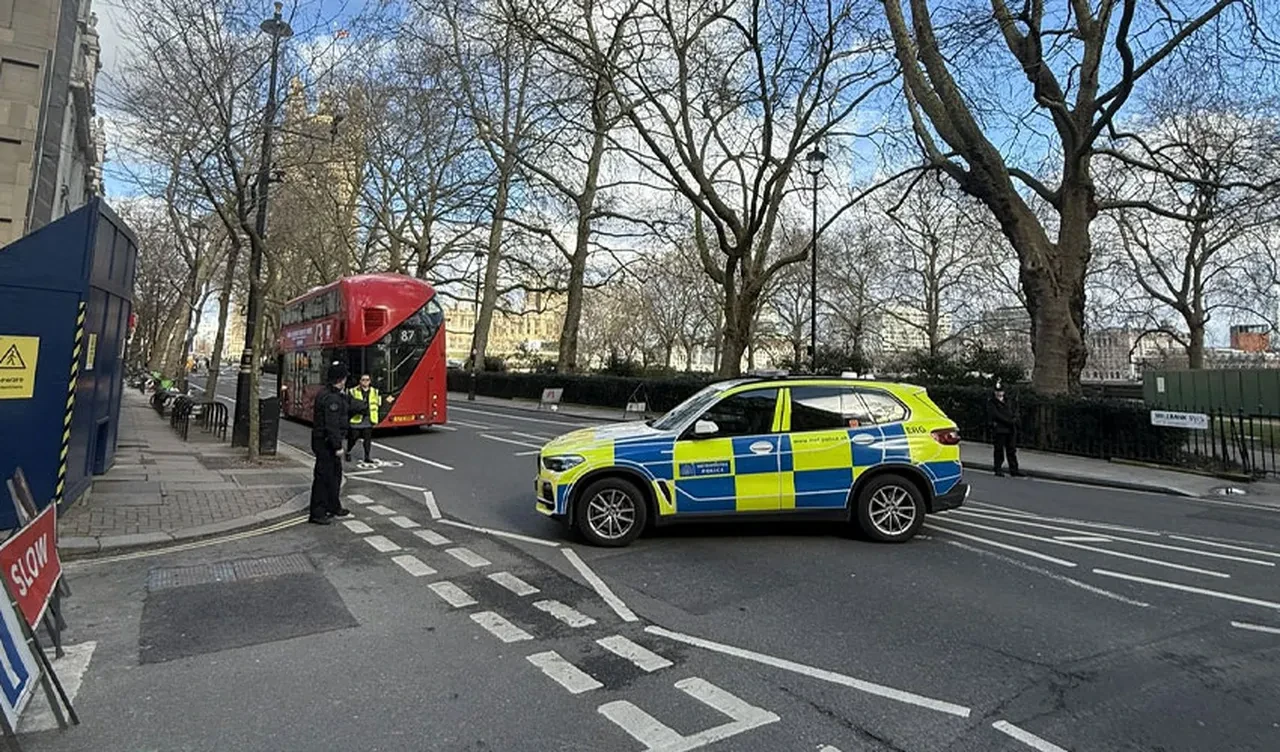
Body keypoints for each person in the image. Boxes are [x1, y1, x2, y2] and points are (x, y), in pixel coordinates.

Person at [309, 363, 354, 524]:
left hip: (325, 441)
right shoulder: (331, 399)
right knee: (323, 478)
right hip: (326, 443)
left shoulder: (331, 394)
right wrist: (337, 447)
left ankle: (333, 506)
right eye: (345, 378)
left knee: (335, 476)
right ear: (341, 379)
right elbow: (332, 425)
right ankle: (318, 512)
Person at [346, 374, 393, 463]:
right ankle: (348, 451)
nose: (365, 382)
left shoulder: (375, 391)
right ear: (360, 381)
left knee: (367, 440)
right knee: (353, 438)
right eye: (363, 380)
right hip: (356, 419)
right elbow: (349, 403)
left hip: (368, 419)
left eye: (367, 380)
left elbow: (380, 403)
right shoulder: (353, 391)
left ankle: (367, 457)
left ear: (370, 381)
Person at [987, 382, 1022, 477]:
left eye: (1001, 391)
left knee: (1011, 450)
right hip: (999, 429)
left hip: (1010, 430)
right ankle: (998, 469)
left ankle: (1014, 470)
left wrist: (1014, 420)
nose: (999, 393)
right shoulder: (992, 403)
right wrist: (1009, 421)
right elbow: (996, 415)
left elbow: (1014, 411)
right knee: (999, 450)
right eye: (997, 391)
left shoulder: (1008, 401)